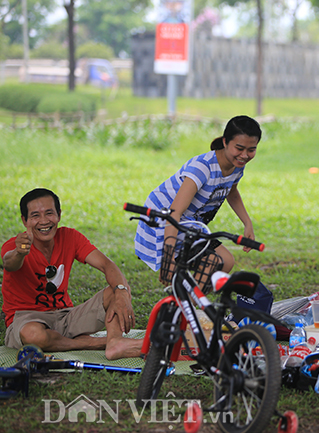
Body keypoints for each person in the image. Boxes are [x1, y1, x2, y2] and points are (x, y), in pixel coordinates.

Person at [1, 188, 142, 359]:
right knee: (33, 336)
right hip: (27, 320)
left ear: (59, 215)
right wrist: (20, 253)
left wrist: (121, 292)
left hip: (65, 315)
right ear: (25, 220)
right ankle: (97, 342)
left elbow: (107, 265)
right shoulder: (16, 245)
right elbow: (10, 263)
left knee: (117, 289)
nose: (44, 221)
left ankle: (114, 344)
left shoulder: (69, 237)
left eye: (49, 213)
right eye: (35, 216)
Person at [134, 115, 261, 276]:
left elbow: (232, 192)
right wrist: (169, 259)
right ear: (225, 142)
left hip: (189, 222)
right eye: (239, 148)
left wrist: (247, 223)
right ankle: (182, 299)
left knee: (226, 262)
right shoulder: (203, 168)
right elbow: (174, 213)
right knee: (212, 262)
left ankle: (190, 299)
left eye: (251, 150)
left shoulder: (236, 166)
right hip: (163, 220)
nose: (245, 155)